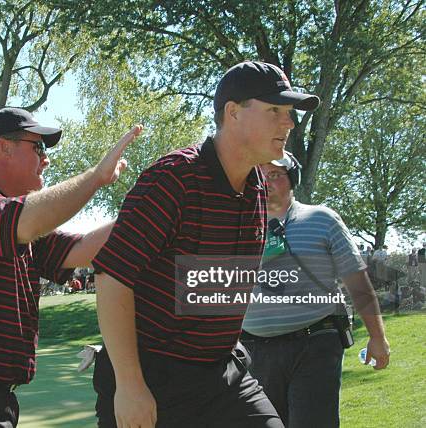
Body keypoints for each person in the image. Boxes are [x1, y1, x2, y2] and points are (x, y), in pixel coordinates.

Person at [92, 61, 320, 428]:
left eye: (289, 113)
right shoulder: (174, 178)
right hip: (151, 379)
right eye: (274, 110)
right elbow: (112, 276)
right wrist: (130, 385)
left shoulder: (257, 188)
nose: (289, 123)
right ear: (233, 113)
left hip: (222, 374)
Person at [0, 106, 142, 427]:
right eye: (38, 147)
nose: (46, 159)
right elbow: (28, 219)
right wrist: (96, 177)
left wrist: (154, 210)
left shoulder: (17, 225)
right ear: (3, 147)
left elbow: (83, 248)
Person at [241, 152, 390, 428]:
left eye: (274, 175)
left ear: (292, 178)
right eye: (258, 176)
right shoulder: (238, 227)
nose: (265, 182)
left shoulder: (322, 219)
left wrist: (377, 338)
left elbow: (358, 282)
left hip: (315, 343)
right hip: (255, 351)